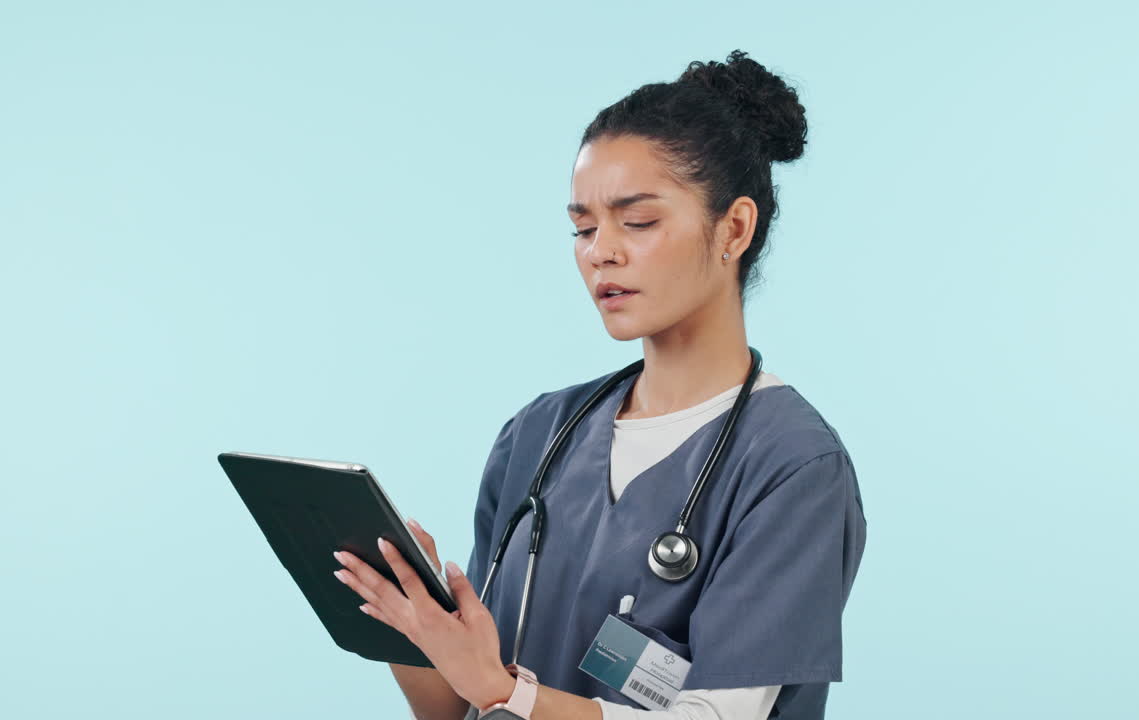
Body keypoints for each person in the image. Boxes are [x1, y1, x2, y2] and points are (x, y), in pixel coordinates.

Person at [331, 49, 868, 719]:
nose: (600, 252)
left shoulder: (792, 466)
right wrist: (405, 624)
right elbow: (459, 710)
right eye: (583, 228)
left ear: (733, 227)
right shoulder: (538, 435)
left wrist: (508, 692)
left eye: (637, 222)